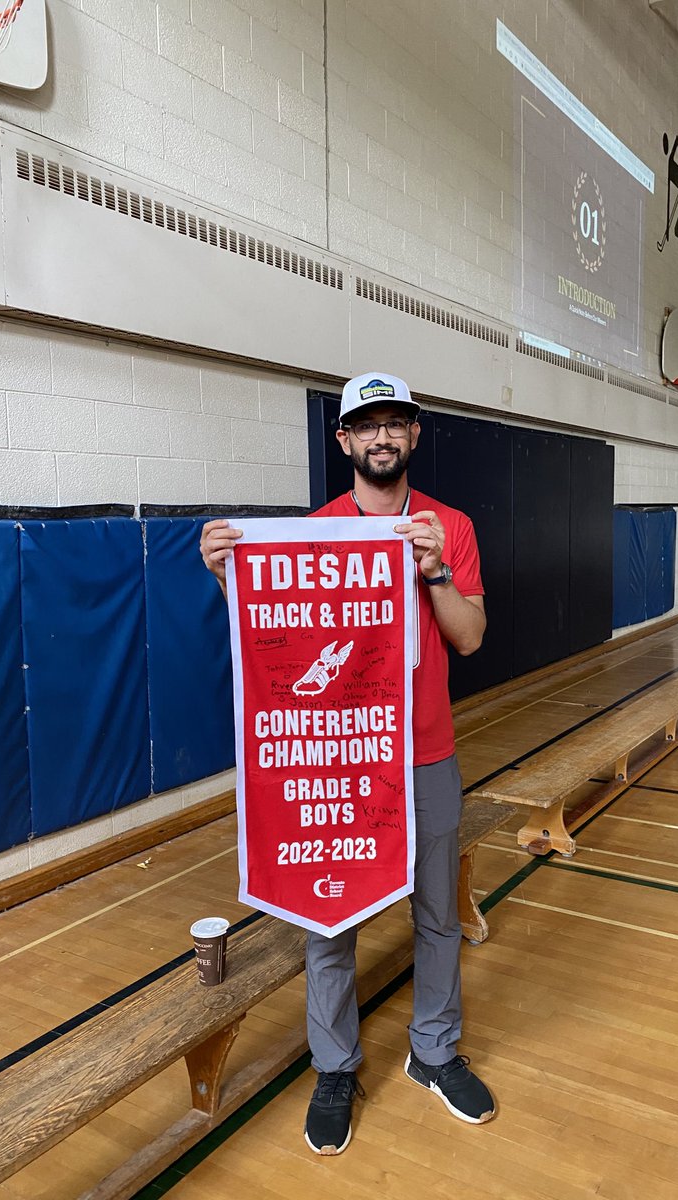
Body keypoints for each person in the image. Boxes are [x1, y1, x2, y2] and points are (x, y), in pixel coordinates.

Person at [199, 371, 494, 1156]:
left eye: (397, 422)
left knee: (436, 915)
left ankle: (434, 1052)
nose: (383, 436)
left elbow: (467, 637)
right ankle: (335, 1067)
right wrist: (230, 575)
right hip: (341, 761)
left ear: (415, 435)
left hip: (424, 753)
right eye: (368, 425)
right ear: (345, 442)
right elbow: (279, 638)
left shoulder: (450, 527)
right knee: (329, 923)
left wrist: (433, 571)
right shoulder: (315, 530)